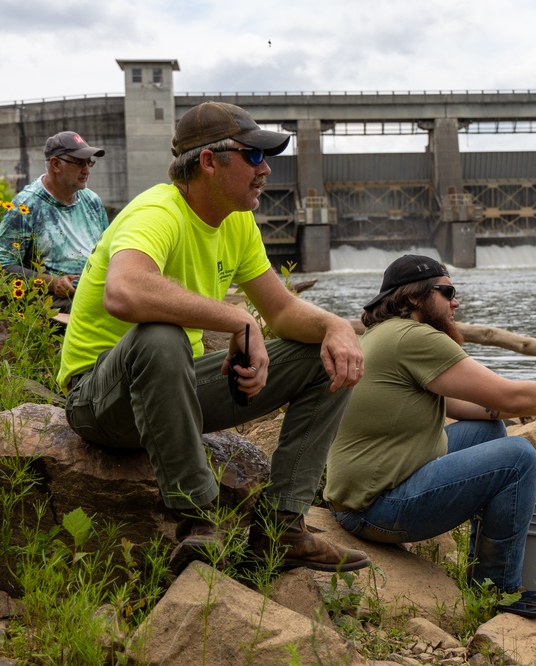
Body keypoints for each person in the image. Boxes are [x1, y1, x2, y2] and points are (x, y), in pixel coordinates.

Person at [55, 102, 370, 574]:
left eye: (265, 158)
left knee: (322, 355)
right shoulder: (158, 211)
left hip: (173, 396)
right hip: (102, 401)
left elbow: (282, 311)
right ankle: (198, 519)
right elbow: (124, 291)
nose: (265, 169)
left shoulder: (237, 219)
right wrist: (235, 320)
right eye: (253, 156)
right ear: (209, 161)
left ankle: (282, 529)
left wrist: (336, 327)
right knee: (162, 337)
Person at [323, 254, 536, 593]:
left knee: (488, 433)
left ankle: (480, 572)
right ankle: (498, 590)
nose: (456, 301)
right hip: (376, 509)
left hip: (360, 497)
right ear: (413, 297)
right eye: (447, 291)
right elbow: (505, 395)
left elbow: (464, 405)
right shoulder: (414, 337)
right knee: (518, 456)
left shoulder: (384, 334)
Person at [0, 131, 109, 313]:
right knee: (107, 311)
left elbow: (107, 251)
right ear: (56, 164)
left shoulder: (91, 200)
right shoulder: (27, 205)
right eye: (79, 162)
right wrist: (53, 283)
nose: (87, 170)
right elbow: (1, 266)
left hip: (97, 289)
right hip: (56, 299)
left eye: (89, 162)